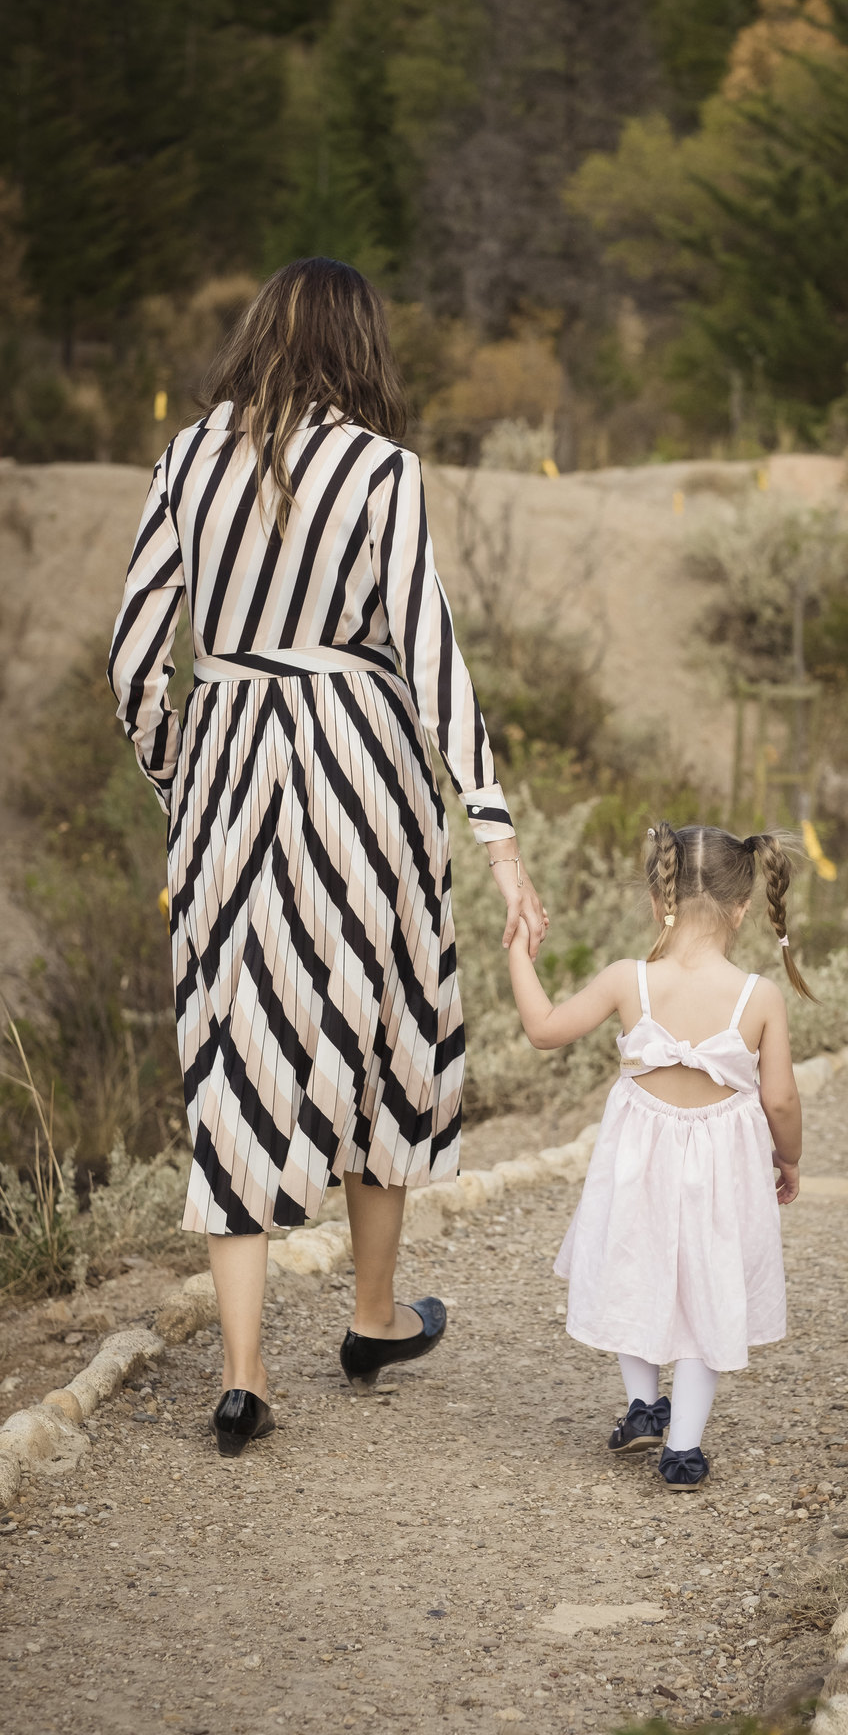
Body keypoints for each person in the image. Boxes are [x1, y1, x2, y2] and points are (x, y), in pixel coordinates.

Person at [108, 257, 547, 1457]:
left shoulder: (185, 458)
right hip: (362, 764)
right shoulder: (381, 469)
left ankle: (244, 1376)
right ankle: (370, 1315)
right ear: (359, 344)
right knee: (383, 1012)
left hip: (230, 761)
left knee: (233, 1047)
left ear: (260, 335)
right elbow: (429, 645)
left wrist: (180, 776)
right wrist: (495, 832)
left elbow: (136, 653)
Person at [506, 820, 806, 1490]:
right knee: (708, 1286)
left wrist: (520, 953)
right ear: (743, 908)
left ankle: (644, 1405)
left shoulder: (627, 980)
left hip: (637, 1160)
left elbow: (543, 1028)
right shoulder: (760, 996)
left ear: (656, 899)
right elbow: (780, 1100)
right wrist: (788, 1159)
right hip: (722, 1171)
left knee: (633, 1266)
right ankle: (683, 1449)